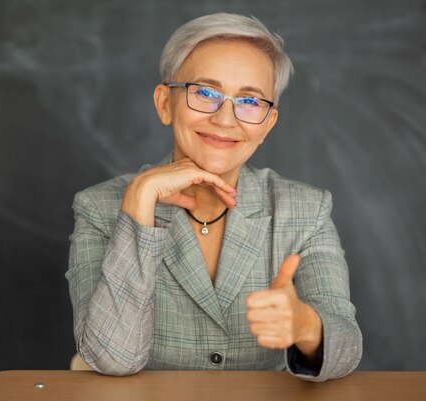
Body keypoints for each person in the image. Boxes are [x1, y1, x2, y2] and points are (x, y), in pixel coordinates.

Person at [65, 12, 362, 381]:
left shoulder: (305, 209)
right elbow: (112, 358)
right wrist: (139, 201)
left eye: (250, 102)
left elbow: (347, 347)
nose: (225, 119)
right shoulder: (99, 207)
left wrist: (306, 327)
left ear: (267, 125)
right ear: (164, 103)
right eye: (205, 93)